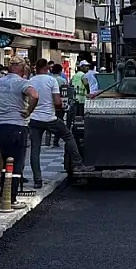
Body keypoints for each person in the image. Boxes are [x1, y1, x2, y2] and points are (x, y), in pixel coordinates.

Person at [27, 59, 94, 188]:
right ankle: (78, 164)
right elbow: (57, 101)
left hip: (34, 119)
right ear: (47, 68)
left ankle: (37, 180)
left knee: (35, 149)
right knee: (68, 136)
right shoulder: (51, 80)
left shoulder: (30, 81)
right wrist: (59, 107)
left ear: (36, 68)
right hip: (50, 118)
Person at [0, 56, 39, 183]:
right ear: (22, 67)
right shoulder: (21, 83)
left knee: (6, 161)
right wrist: (28, 111)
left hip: (1, 125)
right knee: (17, 162)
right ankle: (12, 197)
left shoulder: (0, 82)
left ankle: (4, 194)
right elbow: (35, 95)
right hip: (17, 125)